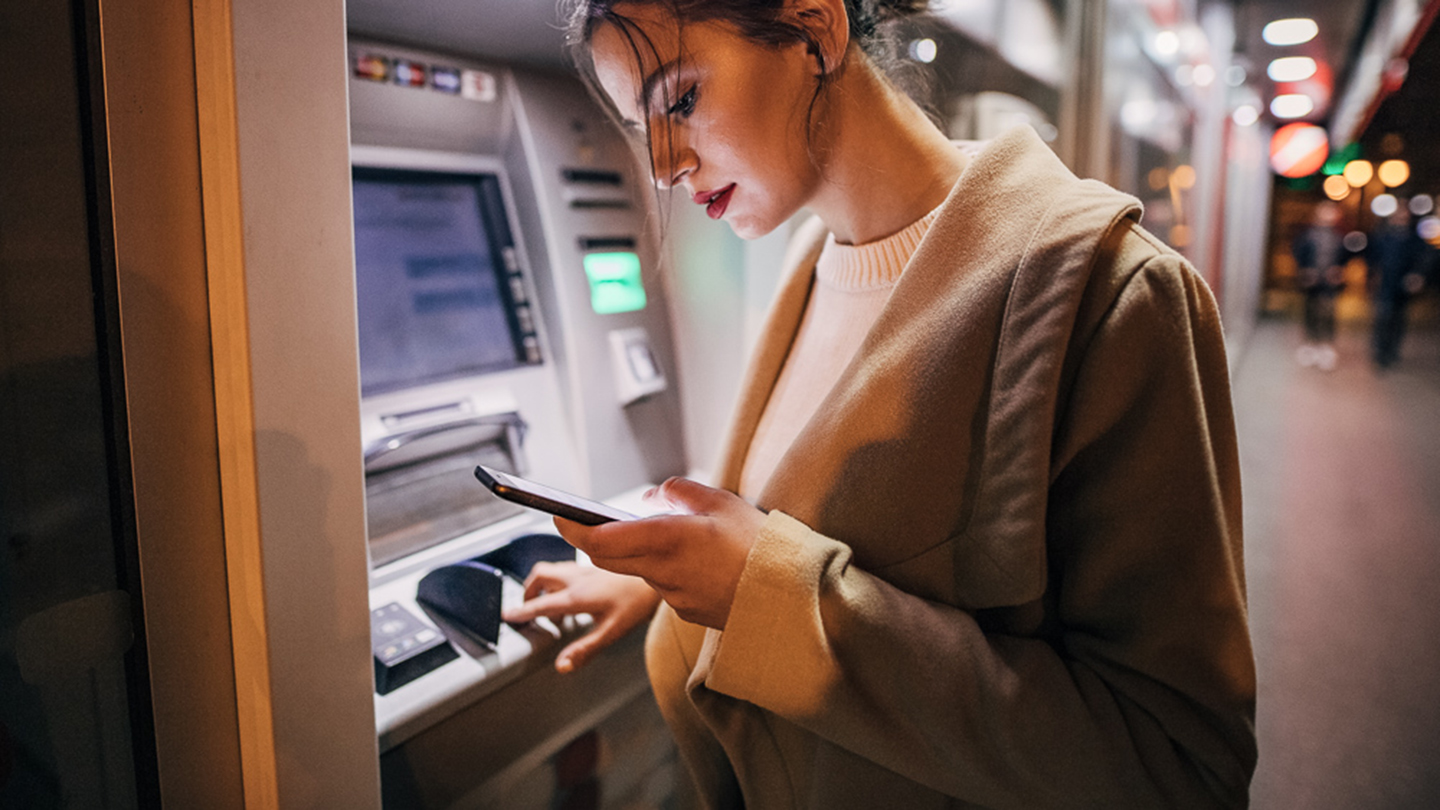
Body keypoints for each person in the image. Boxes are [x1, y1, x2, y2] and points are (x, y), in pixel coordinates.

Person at [502, 1, 1257, 806]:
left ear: (816, 27)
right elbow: (817, 525)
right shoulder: (812, 257)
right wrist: (675, 587)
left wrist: (765, 601)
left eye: (680, 100)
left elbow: (1180, 766)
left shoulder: (1113, 295)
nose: (659, 165)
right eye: (635, 123)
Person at [1367, 207, 1429, 368]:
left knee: (1398, 318)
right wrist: (1372, 277)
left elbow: (1424, 259)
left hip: (1402, 286)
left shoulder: (1414, 239)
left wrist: (1417, 275)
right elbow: (1373, 258)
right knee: (1383, 316)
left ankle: (1392, 350)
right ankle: (1380, 350)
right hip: (1385, 283)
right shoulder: (1383, 236)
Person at [1290, 201, 1348, 371]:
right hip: (1312, 281)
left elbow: (1344, 257)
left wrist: (1339, 271)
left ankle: (1326, 347)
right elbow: (1299, 253)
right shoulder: (1308, 235)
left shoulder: (1339, 237)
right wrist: (1305, 271)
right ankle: (1310, 344)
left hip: (1329, 283)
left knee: (1329, 312)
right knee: (1310, 311)